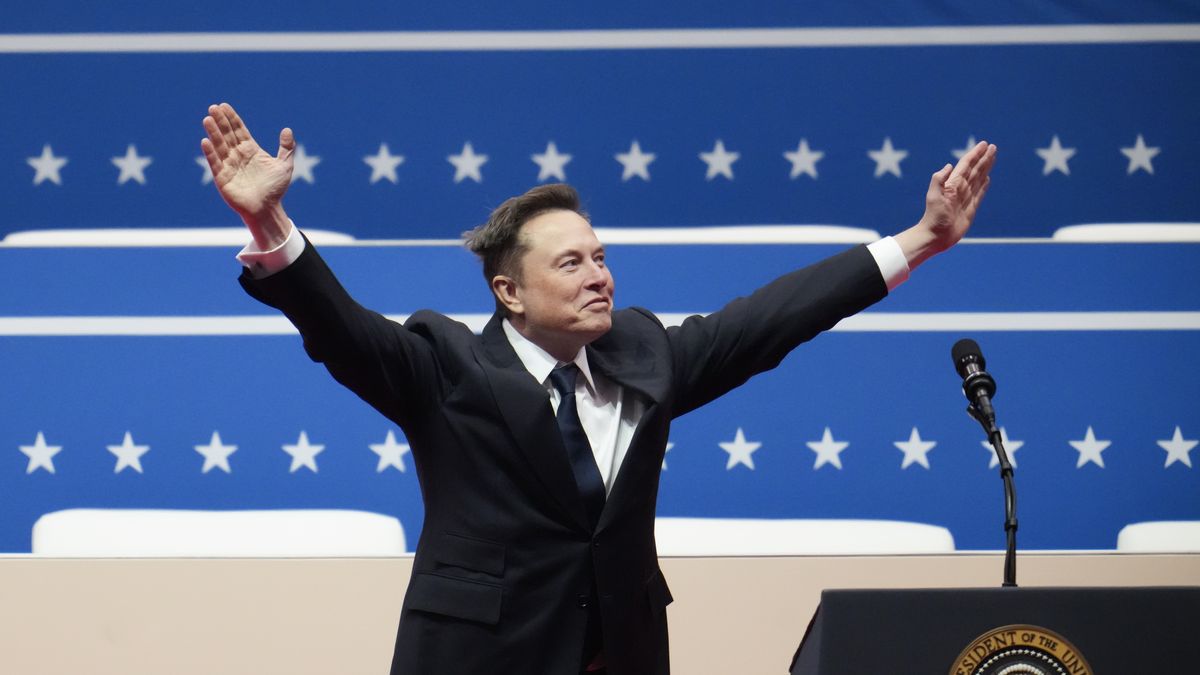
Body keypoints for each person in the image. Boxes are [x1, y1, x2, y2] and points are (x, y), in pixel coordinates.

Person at [200, 102, 996, 675]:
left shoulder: (645, 356)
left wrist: (920, 240)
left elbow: (772, 318)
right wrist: (271, 226)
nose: (600, 277)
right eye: (572, 263)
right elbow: (341, 328)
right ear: (509, 292)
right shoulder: (446, 366)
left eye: (602, 258)